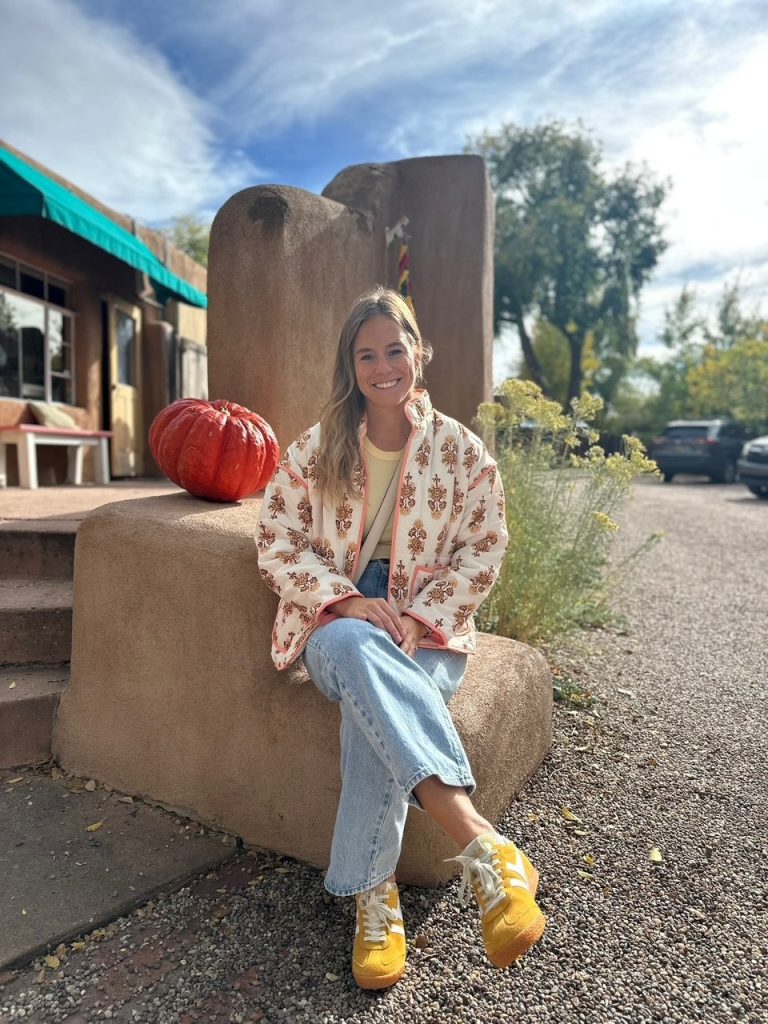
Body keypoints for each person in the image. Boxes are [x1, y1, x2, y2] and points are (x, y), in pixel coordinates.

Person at [257, 286, 545, 989]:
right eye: (367, 355)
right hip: (337, 617)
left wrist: (420, 616)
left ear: (419, 352)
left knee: (373, 710)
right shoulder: (317, 447)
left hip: (428, 619)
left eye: (395, 349)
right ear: (350, 365)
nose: (383, 366)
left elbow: (485, 549)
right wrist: (348, 600)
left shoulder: (462, 452)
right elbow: (276, 539)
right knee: (359, 654)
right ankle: (483, 843)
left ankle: (373, 898)